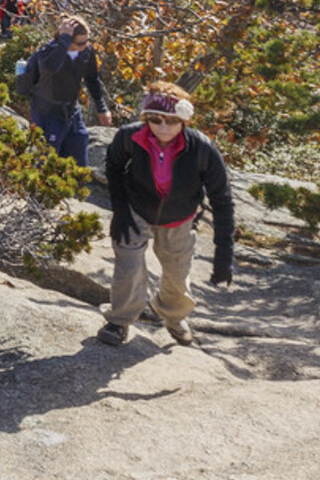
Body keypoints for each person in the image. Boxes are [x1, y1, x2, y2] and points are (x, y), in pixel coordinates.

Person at [98, 82, 235, 347]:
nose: (163, 127)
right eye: (155, 119)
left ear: (183, 120)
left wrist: (224, 254)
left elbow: (222, 199)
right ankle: (119, 321)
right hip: (136, 210)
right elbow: (114, 167)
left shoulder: (201, 149)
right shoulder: (129, 137)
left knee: (176, 273)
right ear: (145, 118)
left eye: (171, 121)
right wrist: (121, 211)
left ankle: (173, 317)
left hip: (179, 217)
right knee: (128, 267)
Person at [27, 14, 113, 166]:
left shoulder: (86, 51)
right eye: (80, 43)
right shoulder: (48, 52)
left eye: (87, 41)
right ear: (65, 41)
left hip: (71, 111)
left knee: (78, 161)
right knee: (46, 163)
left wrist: (101, 107)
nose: (85, 46)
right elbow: (50, 68)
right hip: (47, 114)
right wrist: (64, 40)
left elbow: (92, 78)